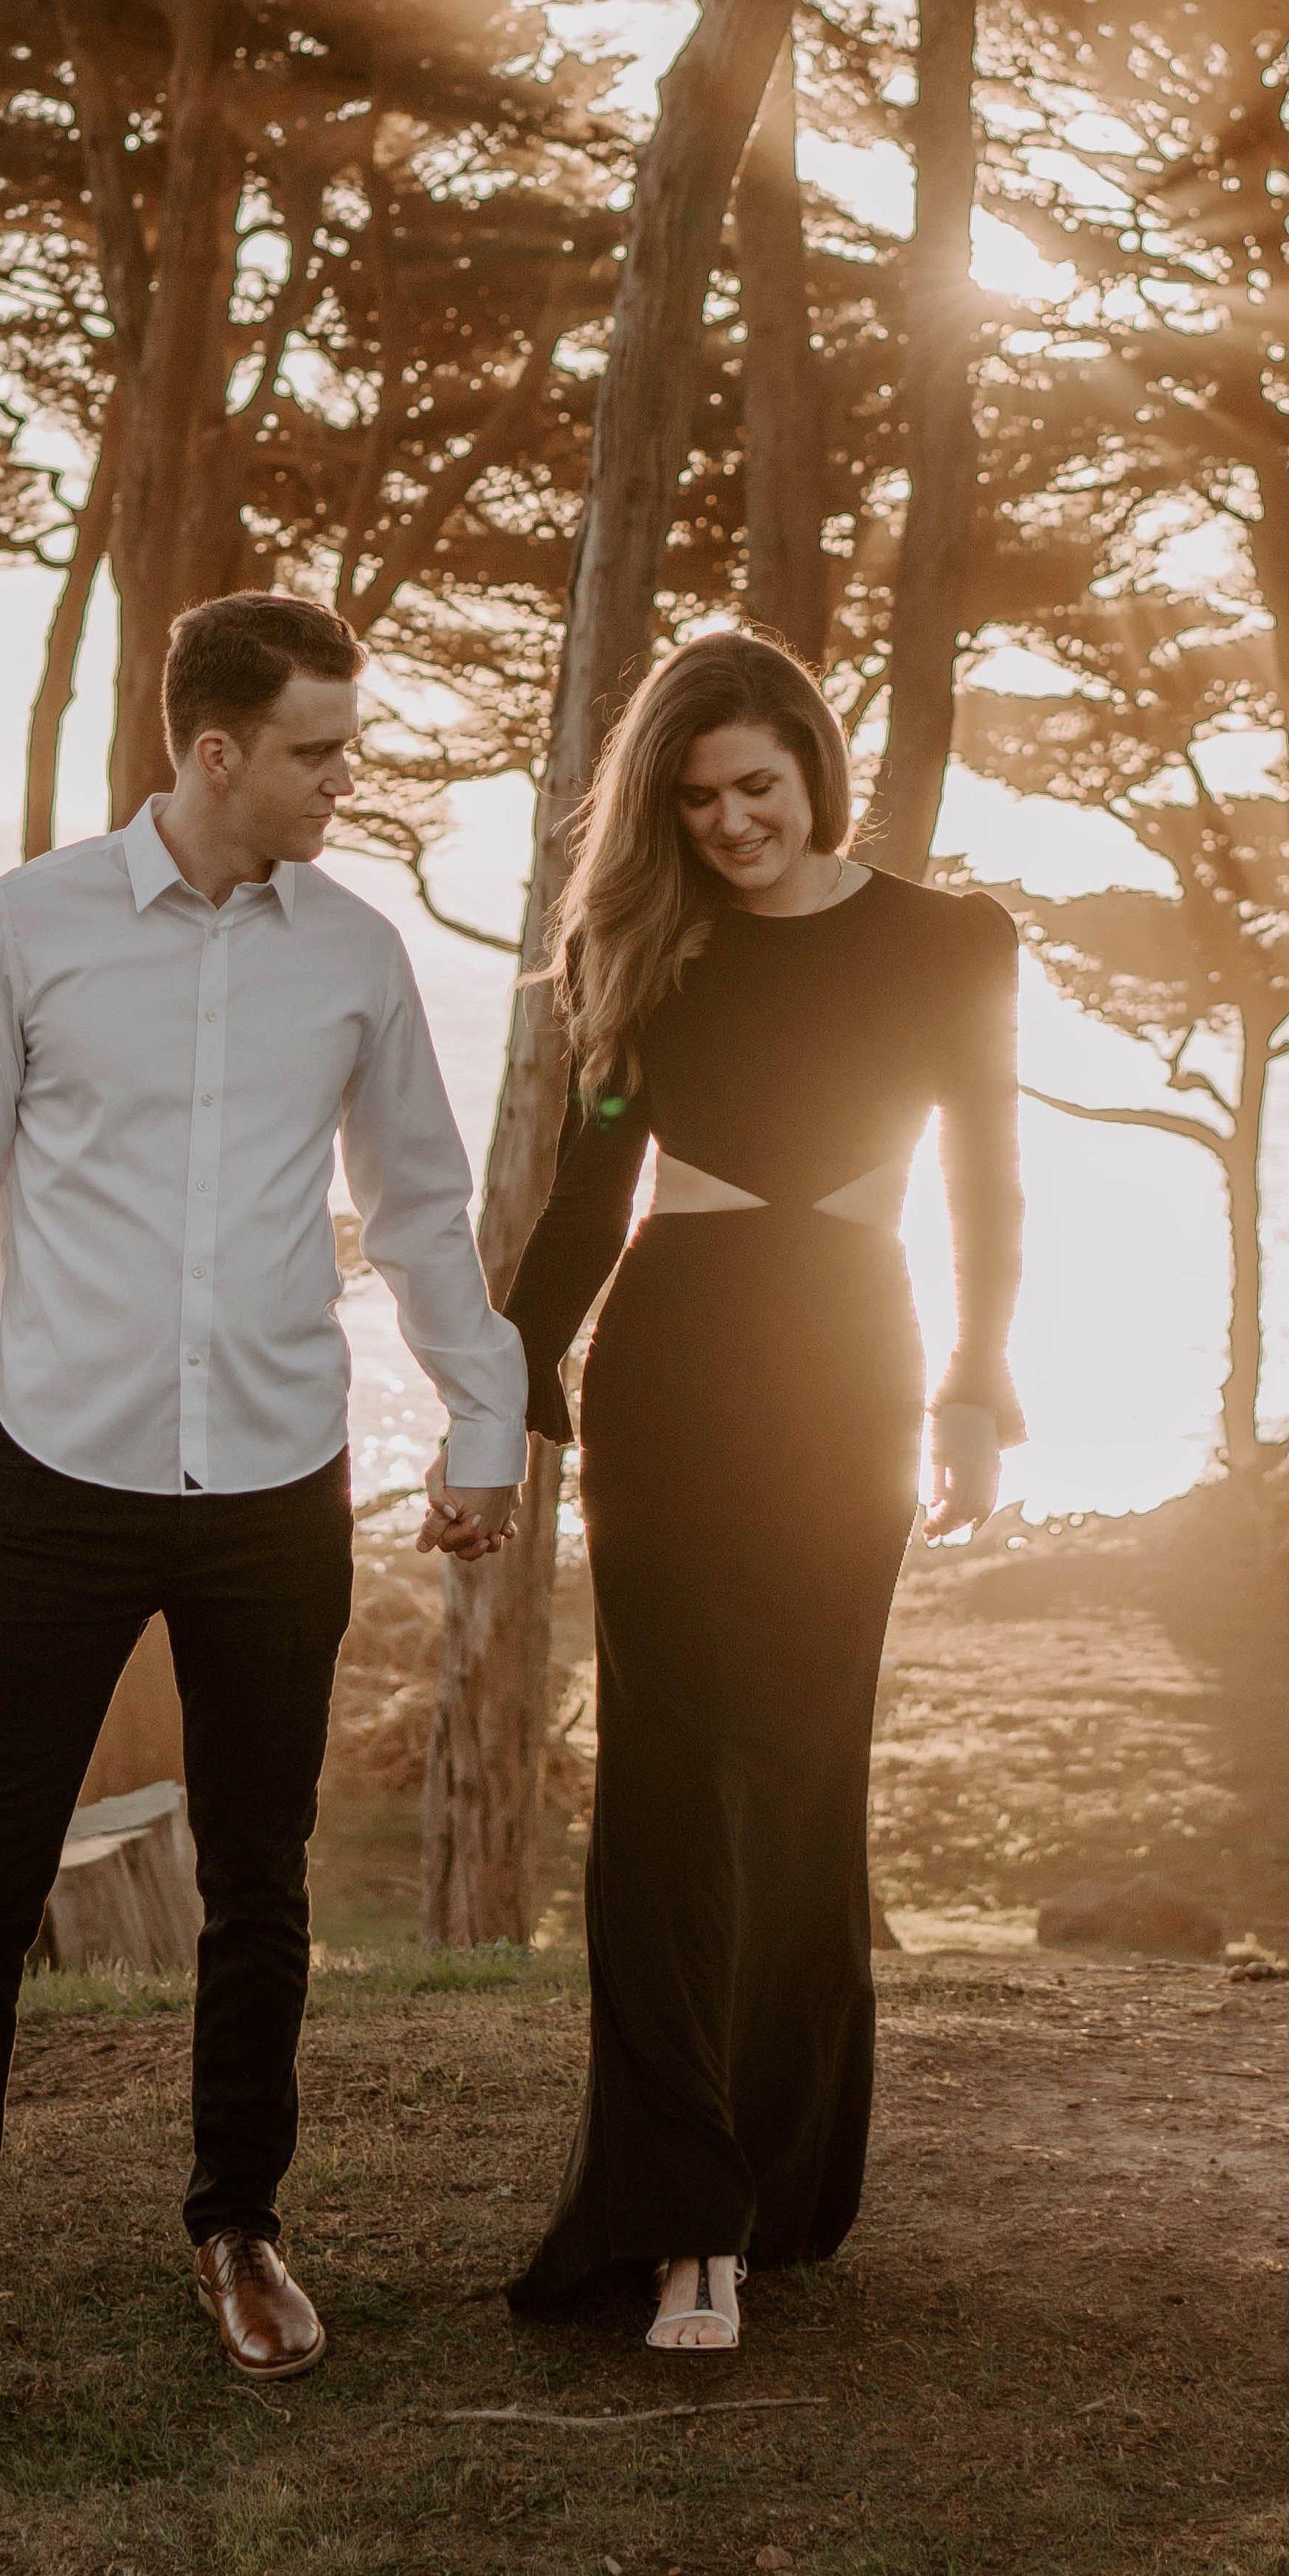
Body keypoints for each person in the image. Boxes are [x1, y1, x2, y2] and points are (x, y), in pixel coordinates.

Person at [0, 592, 529, 2482]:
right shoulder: (29, 925)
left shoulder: (354, 954)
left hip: (277, 1481)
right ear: (215, 751)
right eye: (316, 750)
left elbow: (418, 1207)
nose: (347, 778)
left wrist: (485, 1413)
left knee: (261, 1879)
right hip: (63, 1478)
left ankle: (240, 2229)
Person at [501, 631, 1024, 2351]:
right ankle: (681, 2221)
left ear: (813, 761)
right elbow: (591, 1199)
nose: (729, 821)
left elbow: (989, 1183)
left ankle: (781, 2190)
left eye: (755, 785)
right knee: (666, 1781)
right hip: (673, 1373)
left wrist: (976, 1390)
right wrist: (509, 1387)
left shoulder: (950, 939)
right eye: (695, 798)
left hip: (852, 1370)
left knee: (802, 1776)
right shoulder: (644, 944)